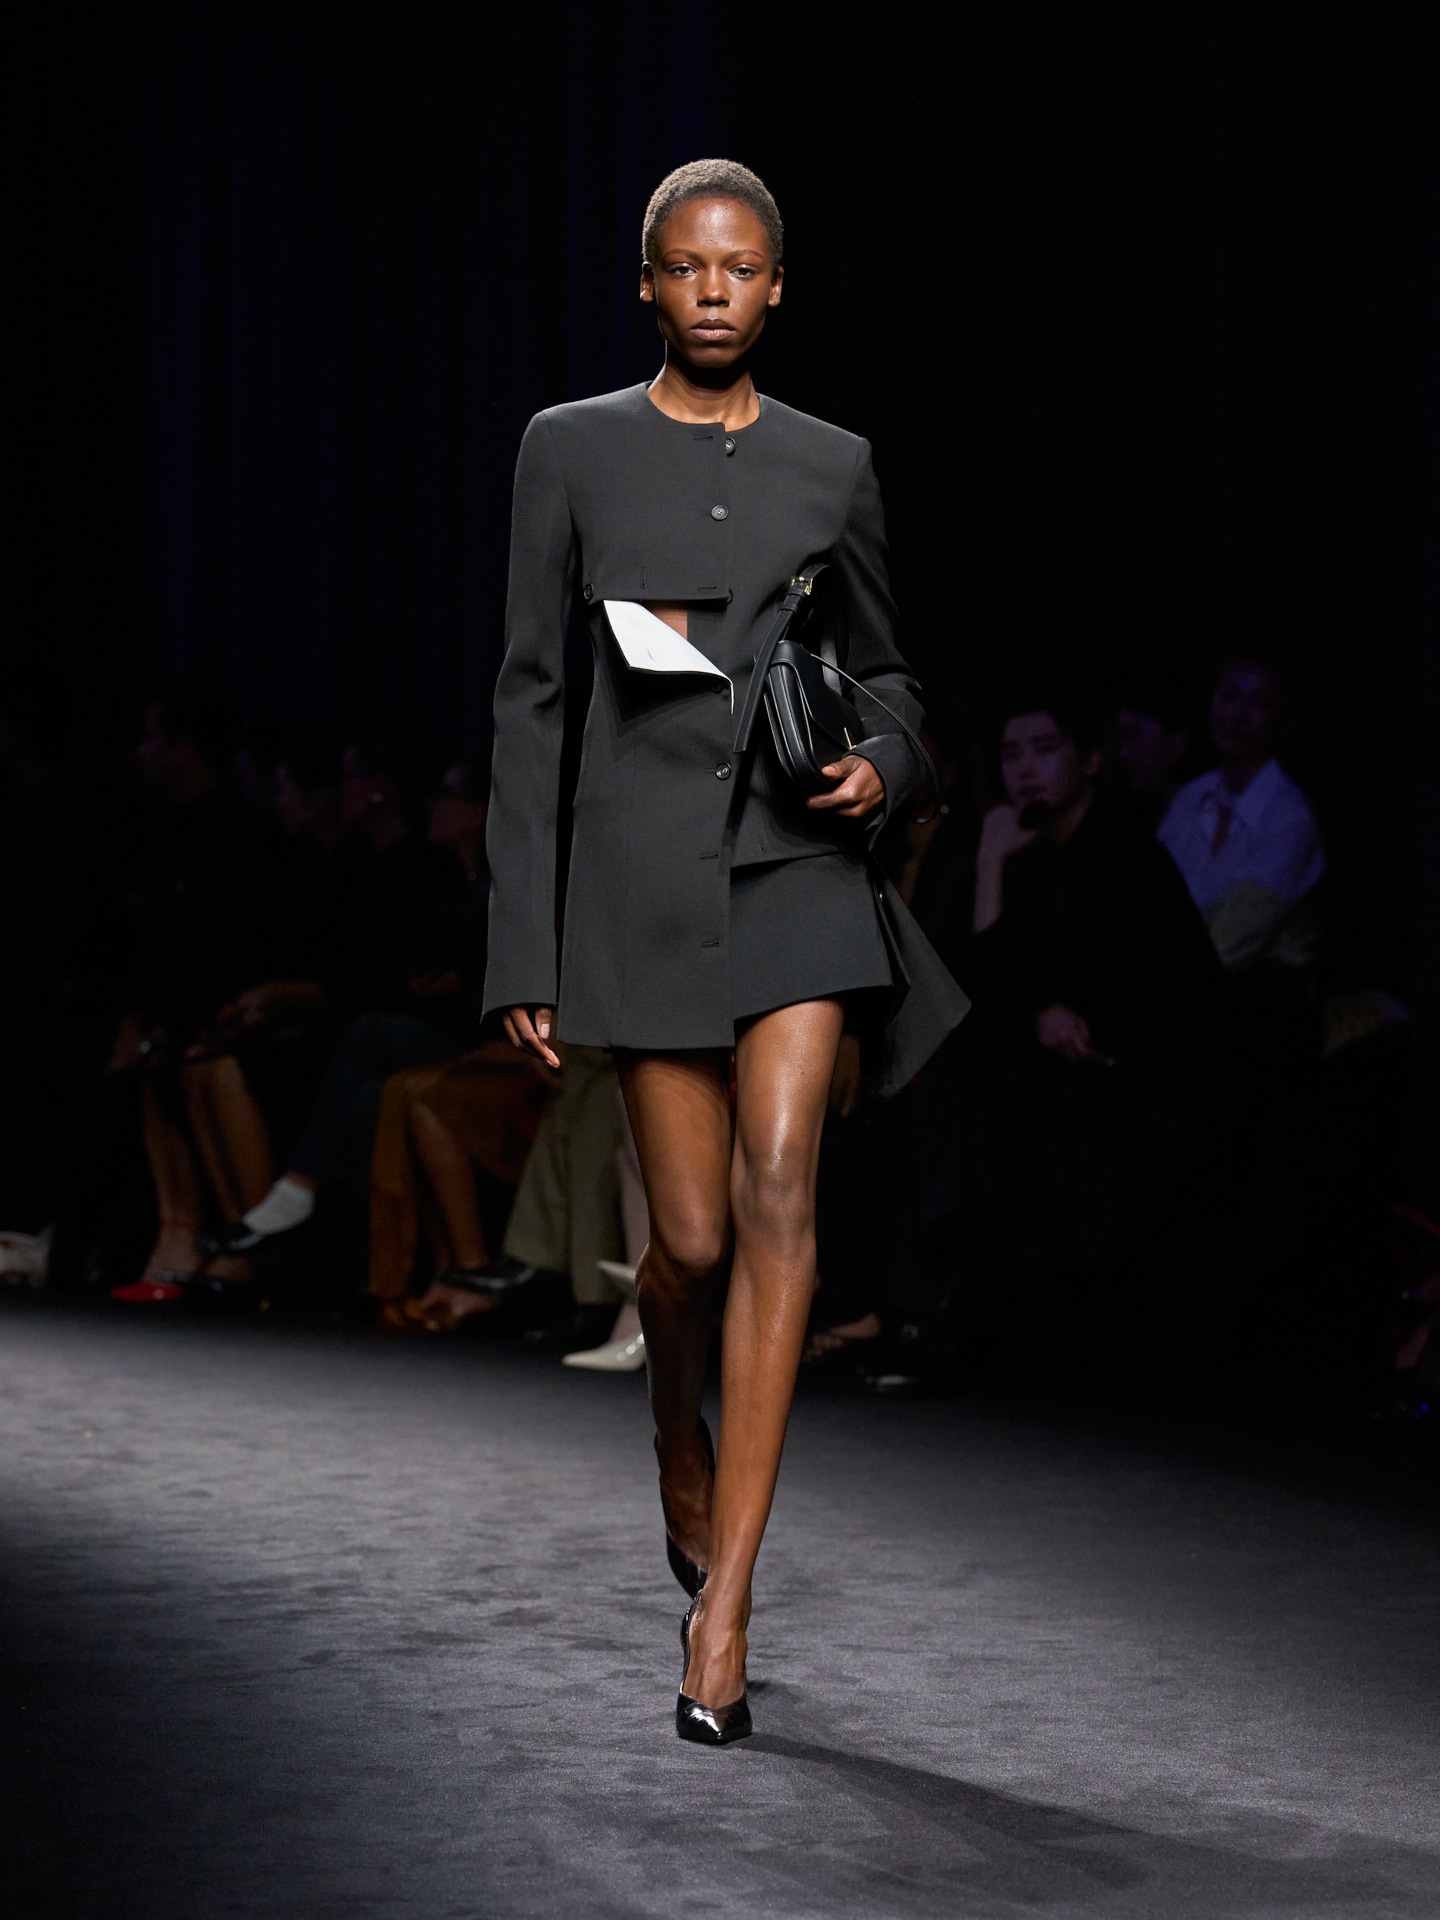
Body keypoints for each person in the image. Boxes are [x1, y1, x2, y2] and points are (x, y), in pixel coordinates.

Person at [486, 159, 965, 1744]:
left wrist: (881, 767)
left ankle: (729, 1607)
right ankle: (672, 1437)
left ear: (776, 286)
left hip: (796, 869)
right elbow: (532, 699)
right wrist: (523, 939)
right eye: (685, 266)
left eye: (739, 267)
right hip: (637, 884)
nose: (712, 290)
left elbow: (894, 680)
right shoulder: (568, 447)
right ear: (647, 283)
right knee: (687, 1246)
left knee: (778, 1194)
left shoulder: (836, 464)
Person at [1158, 652, 1325, 1089]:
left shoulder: (1289, 818)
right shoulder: (1191, 799)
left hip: (1261, 1008)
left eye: (1260, 703)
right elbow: (1151, 901)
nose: (1238, 714)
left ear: (1284, 720)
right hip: (1186, 992)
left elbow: (1230, 945)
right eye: (1229, 696)